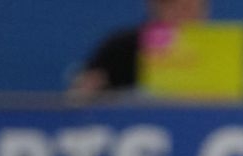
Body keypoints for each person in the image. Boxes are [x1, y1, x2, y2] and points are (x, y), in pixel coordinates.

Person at [68, 0, 208, 97]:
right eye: (176, 7)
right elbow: (80, 96)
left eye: (191, 8)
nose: (186, 16)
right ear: (155, 6)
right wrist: (86, 92)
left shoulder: (219, 53)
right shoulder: (120, 49)